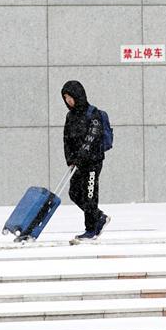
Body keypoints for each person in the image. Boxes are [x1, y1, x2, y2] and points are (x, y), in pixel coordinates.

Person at [61, 80, 110, 243]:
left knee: (90, 195)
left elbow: (93, 136)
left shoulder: (92, 113)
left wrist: (83, 154)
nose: (68, 100)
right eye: (65, 98)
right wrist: (70, 158)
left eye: (70, 97)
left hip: (92, 162)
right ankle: (99, 217)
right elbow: (66, 139)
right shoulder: (70, 116)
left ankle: (91, 230)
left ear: (78, 95)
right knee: (74, 193)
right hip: (78, 163)